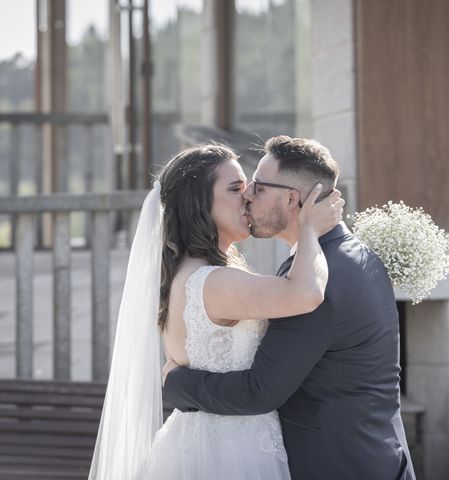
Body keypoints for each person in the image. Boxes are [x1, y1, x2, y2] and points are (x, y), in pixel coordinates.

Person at [164, 135, 416, 480]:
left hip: (338, 464)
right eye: (240, 187)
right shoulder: (352, 256)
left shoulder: (322, 276)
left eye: (256, 187)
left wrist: (176, 384)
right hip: (368, 455)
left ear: (291, 198)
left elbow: (260, 391)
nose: (249, 196)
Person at [89, 142, 344, 480]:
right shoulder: (213, 282)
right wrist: (310, 228)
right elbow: (306, 293)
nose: (249, 196)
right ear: (200, 204)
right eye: (236, 189)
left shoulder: (186, 274)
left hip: (196, 444)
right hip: (229, 453)